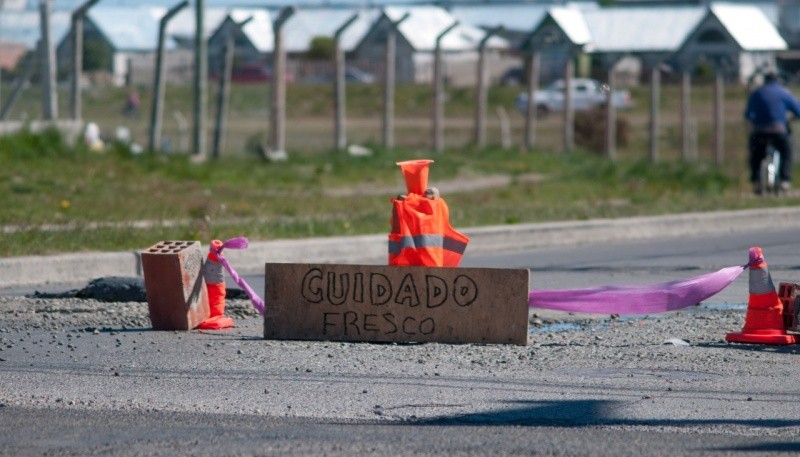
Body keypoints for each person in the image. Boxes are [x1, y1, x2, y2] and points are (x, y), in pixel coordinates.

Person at [744, 71, 800, 193]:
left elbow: (748, 114)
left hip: (759, 132)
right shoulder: (783, 92)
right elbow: (798, 110)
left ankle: (756, 181)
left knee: (756, 155)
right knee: (786, 152)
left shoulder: (756, 93)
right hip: (778, 130)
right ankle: (785, 180)